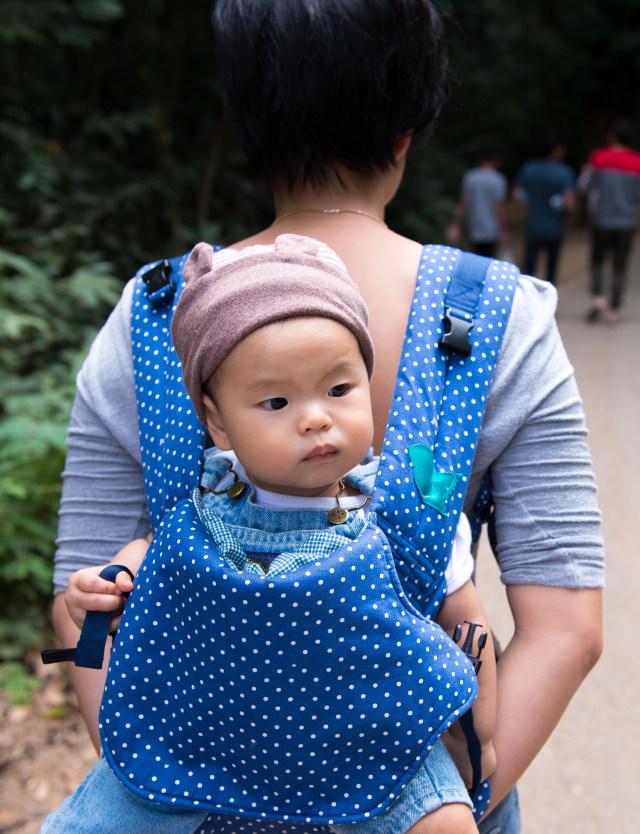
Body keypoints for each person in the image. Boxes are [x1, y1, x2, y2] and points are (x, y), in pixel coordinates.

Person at [50, 2, 605, 833]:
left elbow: (86, 602)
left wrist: (160, 780)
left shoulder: (156, 315)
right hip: (415, 787)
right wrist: (449, 797)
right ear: (411, 123)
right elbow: (568, 625)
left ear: (246, 117)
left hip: (186, 789)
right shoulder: (501, 319)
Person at [43, 234, 497, 834]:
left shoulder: (410, 505)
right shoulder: (208, 497)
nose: (315, 417)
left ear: (369, 379)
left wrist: (478, 746)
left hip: (371, 736)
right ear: (217, 422)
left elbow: (466, 629)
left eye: (339, 389)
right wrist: (106, 586)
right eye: (276, 400)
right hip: (209, 733)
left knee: (446, 824)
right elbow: (152, 559)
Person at [581, 117, 640, 324]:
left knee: (597, 260)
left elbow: (587, 186)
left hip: (602, 220)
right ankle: (614, 310)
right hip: (626, 222)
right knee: (619, 264)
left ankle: (598, 297)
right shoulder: (637, 162)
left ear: (611, 135)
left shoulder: (598, 157)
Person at [513, 129, 576, 286]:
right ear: (557, 149)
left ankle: (527, 306)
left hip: (533, 227)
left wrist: (532, 199)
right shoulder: (564, 172)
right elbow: (569, 204)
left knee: (528, 272)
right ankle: (548, 307)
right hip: (555, 229)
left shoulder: (529, 168)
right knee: (551, 272)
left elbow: (516, 194)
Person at [446, 147, 509, 258]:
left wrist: (455, 225)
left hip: (474, 228)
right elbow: (498, 207)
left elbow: (463, 203)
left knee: (475, 259)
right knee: (489, 260)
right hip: (492, 230)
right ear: (496, 161)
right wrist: (502, 230)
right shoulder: (498, 180)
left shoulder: (470, 177)